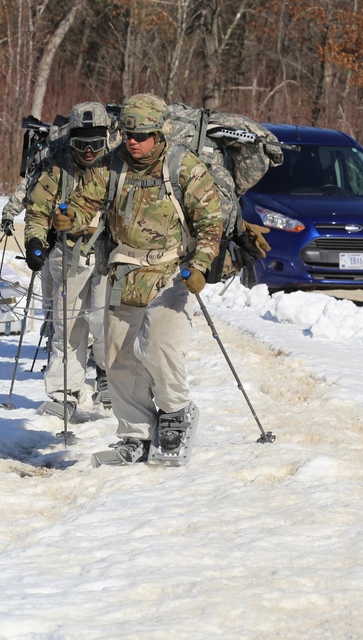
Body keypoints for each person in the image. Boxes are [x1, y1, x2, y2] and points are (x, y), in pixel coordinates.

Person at [54, 93, 224, 464]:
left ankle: (176, 413)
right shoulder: (110, 167)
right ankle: (134, 432)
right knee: (117, 355)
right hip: (125, 269)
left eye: (142, 134)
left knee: (161, 345)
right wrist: (71, 220)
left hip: (171, 272)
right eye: (128, 134)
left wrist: (201, 265)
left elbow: (211, 222)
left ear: (159, 134)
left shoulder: (184, 167)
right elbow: (85, 204)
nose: (133, 141)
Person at [23, 102, 114, 422]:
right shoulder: (57, 170)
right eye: (81, 143)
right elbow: (36, 212)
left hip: (109, 258)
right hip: (69, 256)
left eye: (95, 143)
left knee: (106, 327)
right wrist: (35, 241)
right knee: (67, 327)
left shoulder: (119, 167)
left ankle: (107, 376)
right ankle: (63, 391)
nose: (89, 151)